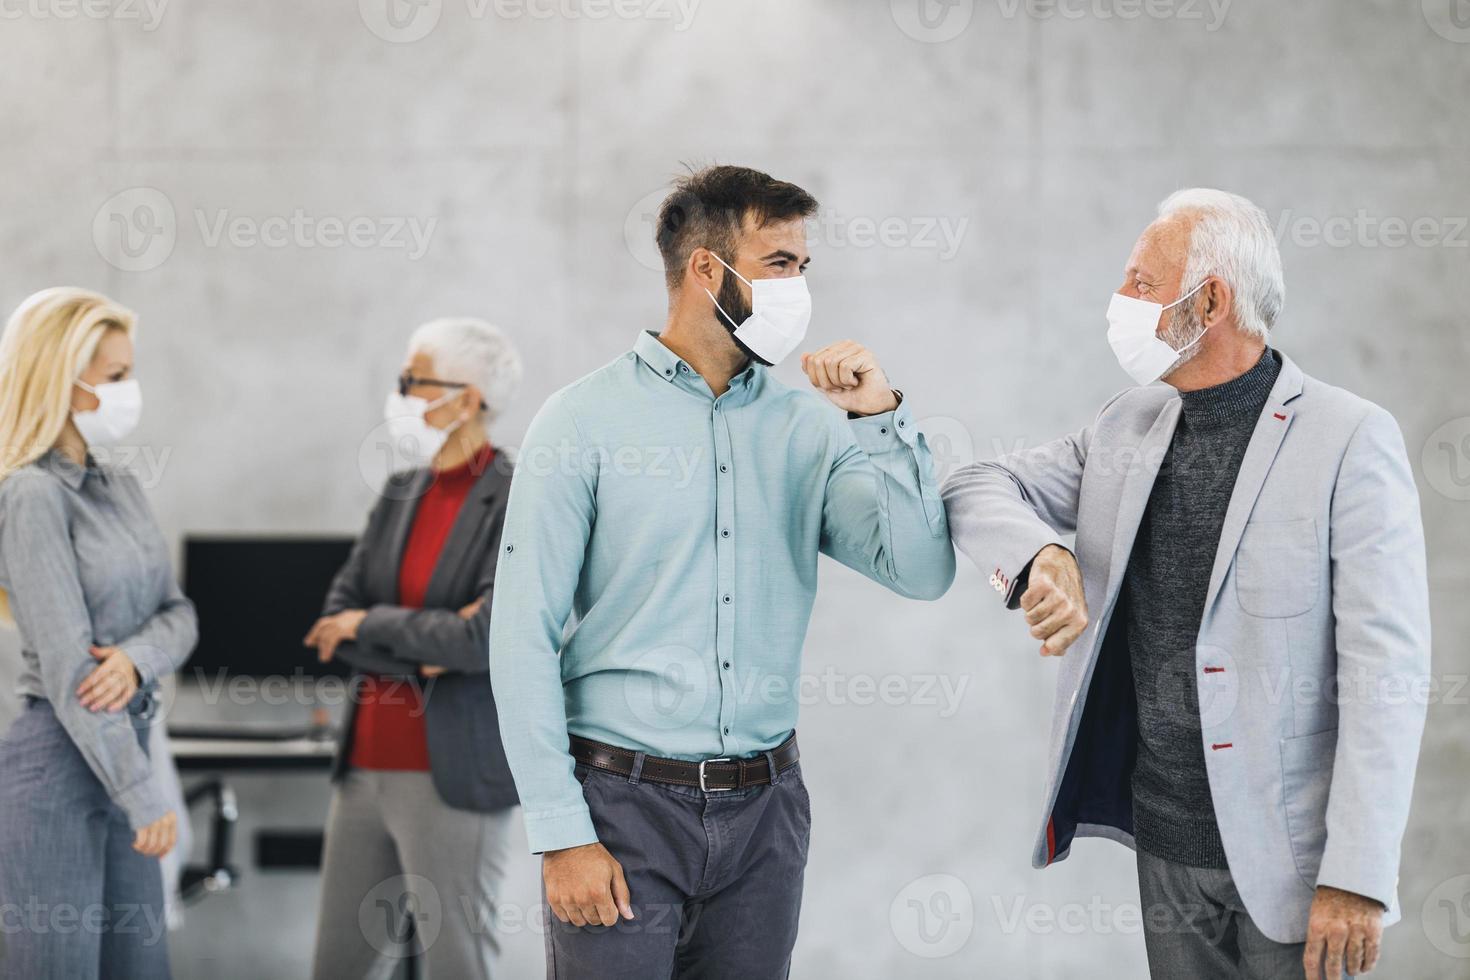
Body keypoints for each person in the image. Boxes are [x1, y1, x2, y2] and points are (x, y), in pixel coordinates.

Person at [943, 188, 1430, 979]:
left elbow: (1389, 674)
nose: (1119, 301)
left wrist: (1358, 877)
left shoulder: (1351, 439)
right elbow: (976, 482)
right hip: (1165, 850)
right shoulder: (1124, 425)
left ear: (1209, 301)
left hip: (1301, 871)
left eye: (1140, 282)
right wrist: (1042, 556)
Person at [488, 165, 956, 978]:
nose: (798, 286)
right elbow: (520, 636)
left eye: (803, 268)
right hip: (620, 807)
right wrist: (562, 832)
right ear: (708, 270)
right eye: (778, 263)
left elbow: (922, 571)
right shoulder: (582, 420)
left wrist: (879, 420)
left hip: (767, 816)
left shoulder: (808, 429)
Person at [305, 317, 523, 979]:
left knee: (456, 962)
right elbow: (334, 620)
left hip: (450, 774)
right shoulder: (400, 492)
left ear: (467, 397)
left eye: (414, 380)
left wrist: (374, 624)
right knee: (335, 967)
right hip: (364, 766)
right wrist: (419, 638)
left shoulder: (516, 495)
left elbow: (484, 637)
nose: (399, 394)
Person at [0, 287, 197, 979]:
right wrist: (141, 794)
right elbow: (68, 666)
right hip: (58, 766)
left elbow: (180, 614)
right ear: (63, 379)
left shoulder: (121, 486)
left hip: (128, 754)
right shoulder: (29, 494)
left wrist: (140, 658)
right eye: (115, 378)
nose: (129, 391)